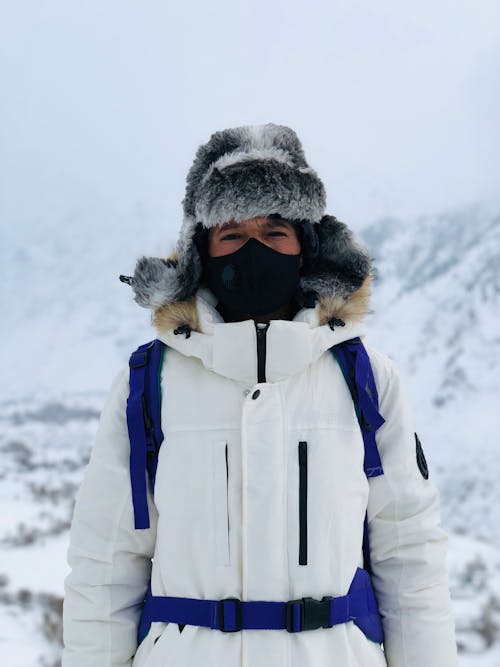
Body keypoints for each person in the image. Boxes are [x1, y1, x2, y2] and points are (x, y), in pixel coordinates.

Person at [62, 123, 458, 666]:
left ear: (306, 248)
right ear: (202, 252)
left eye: (274, 232)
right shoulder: (148, 382)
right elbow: (104, 566)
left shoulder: (366, 378)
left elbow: (410, 560)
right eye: (231, 234)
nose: (254, 250)